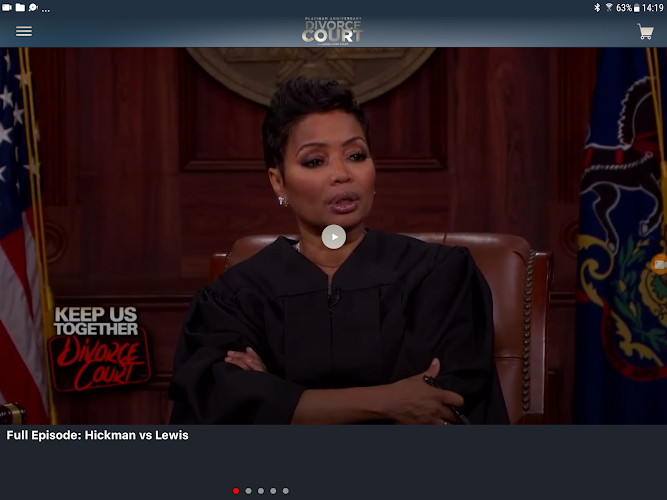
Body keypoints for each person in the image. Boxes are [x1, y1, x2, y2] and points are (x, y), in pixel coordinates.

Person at [168, 77, 509, 425]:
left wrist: (276, 399)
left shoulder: (439, 276)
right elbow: (220, 407)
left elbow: (443, 405)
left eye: (356, 155)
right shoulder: (236, 297)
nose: (342, 174)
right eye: (315, 161)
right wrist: (389, 400)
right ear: (278, 181)